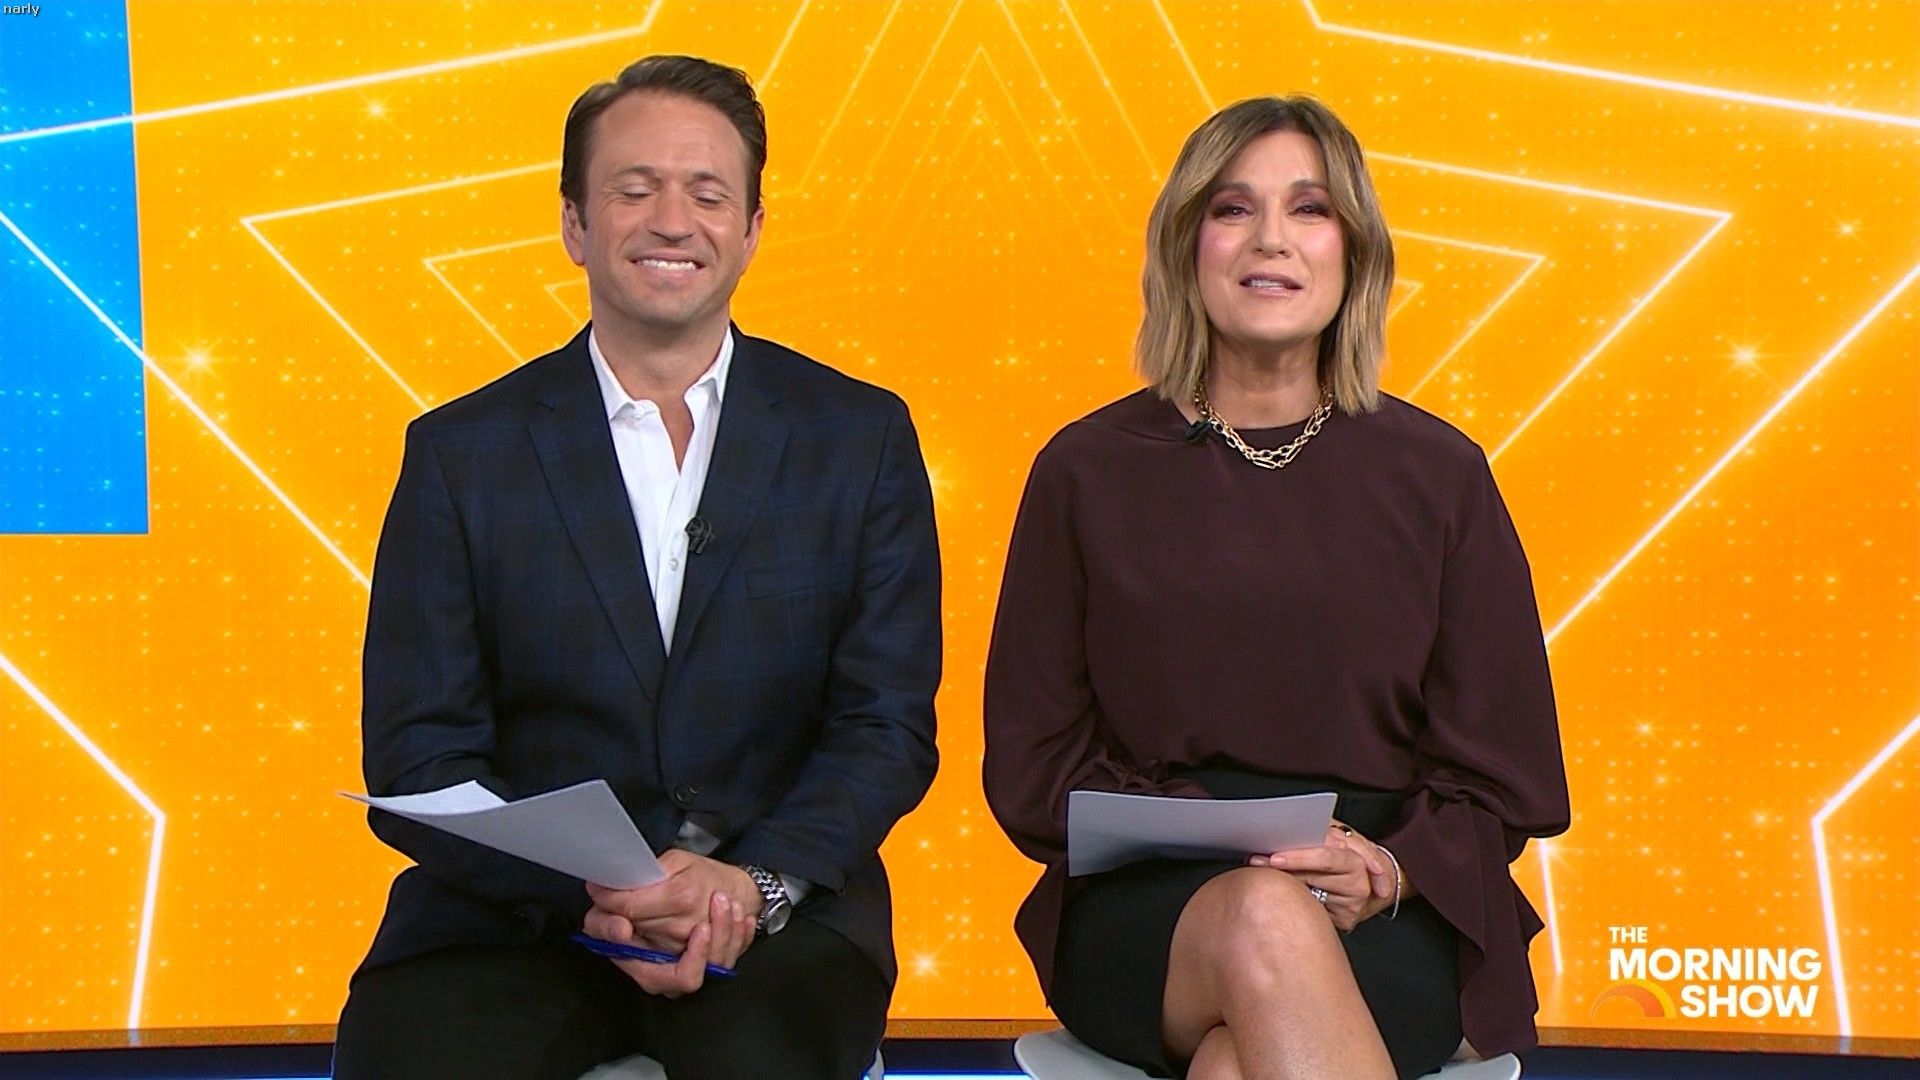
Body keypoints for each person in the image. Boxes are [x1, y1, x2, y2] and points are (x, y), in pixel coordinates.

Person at [332, 55, 941, 1080]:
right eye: (634, 189)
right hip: (512, 919)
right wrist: (593, 895)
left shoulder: (860, 438)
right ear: (574, 222)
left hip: (775, 917)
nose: (672, 221)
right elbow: (418, 752)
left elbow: (885, 726)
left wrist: (751, 882)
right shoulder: (459, 454)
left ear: (751, 229)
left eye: (708, 194)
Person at [982, 95, 1570, 1080]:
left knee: (1233, 1065)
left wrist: (1387, 868)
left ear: (1355, 252)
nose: (1270, 239)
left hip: (1383, 902)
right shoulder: (1084, 470)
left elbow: (1506, 774)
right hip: (1151, 907)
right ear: (1187, 247)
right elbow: (1034, 763)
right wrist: (1209, 836)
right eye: (1231, 208)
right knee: (1261, 914)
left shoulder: (1441, 475)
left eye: (1309, 208)